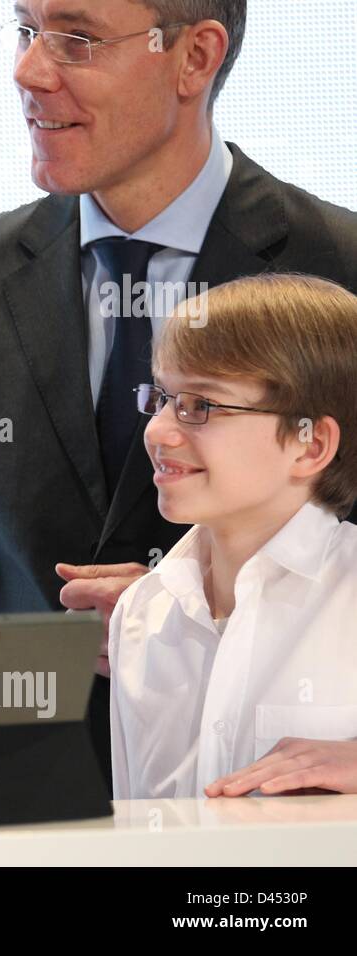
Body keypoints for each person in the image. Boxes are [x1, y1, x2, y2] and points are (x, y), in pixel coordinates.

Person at [0, 0, 357, 780]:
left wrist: (177, 612)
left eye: (76, 39)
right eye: (27, 30)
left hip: (262, 818)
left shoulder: (343, 267)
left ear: (195, 58)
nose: (28, 70)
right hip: (13, 799)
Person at [110, 275, 357, 799]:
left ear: (310, 445)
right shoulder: (140, 611)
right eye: (162, 397)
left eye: (202, 405)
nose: (157, 431)